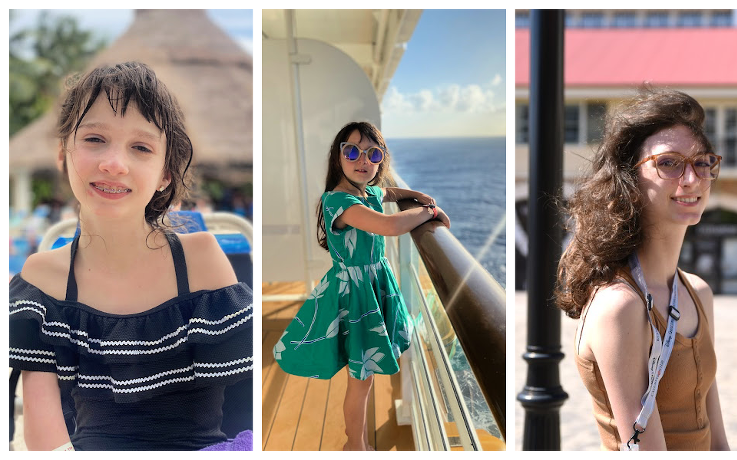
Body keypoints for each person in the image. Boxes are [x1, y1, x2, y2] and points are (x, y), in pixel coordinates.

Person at [9, 62, 253, 451]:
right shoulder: (43, 279)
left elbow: (248, 407)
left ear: (164, 175)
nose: (114, 163)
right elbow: (47, 439)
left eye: (140, 147)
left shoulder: (201, 260)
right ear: (63, 154)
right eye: (94, 139)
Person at [556, 87, 729, 450]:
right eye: (669, 163)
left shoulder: (696, 291)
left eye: (702, 162)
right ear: (629, 178)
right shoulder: (620, 306)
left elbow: (717, 440)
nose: (691, 179)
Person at [272, 121, 450, 451]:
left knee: (363, 378)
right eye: (352, 151)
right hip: (354, 296)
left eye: (373, 153)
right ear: (337, 157)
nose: (362, 160)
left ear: (381, 160)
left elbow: (388, 193)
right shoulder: (338, 201)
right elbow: (387, 225)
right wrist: (430, 211)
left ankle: (356, 443)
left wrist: (412, 195)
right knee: (361, 381)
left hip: (369, 288)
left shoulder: (365, 192)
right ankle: (356, 445)